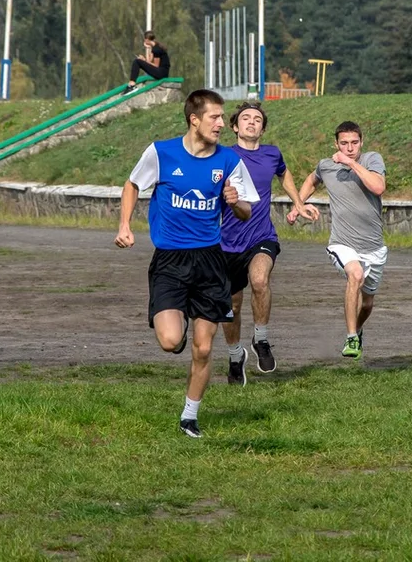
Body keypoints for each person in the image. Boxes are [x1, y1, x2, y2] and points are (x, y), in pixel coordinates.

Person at [115, 89, 259, 438]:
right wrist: (124, 225)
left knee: (205, 346)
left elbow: (246, 211)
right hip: (170, 261)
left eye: (223, 118)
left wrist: (235, 200)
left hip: (210, 261)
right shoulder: (161, 152)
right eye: (215, 117)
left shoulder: (228, 161)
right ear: (194, 119)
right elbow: (133, 185)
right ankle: (178, 328)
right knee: (169, 341)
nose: (222, 124)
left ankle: (189, 416)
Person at [219, 102, 318, 385]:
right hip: (227, 243)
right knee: (232, 306)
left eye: (258, 119)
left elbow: (284, 173)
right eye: (246, 118)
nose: (252, 122)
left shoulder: (272, 153)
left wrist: (299, 203)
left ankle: (261, 339)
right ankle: (235, 355)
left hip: (262, 235)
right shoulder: (223, 156)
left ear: (263, 127)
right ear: (235, 126)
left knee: (260, 280)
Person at [290, 121, 386, 360]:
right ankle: (351, 337)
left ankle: (359, 329)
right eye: (344, 143)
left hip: (374, 247)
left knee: (367, 304)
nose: (349, 147)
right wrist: (297, 205)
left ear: (361, 142)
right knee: (355, 275)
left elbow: (378, 187)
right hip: (342, 242)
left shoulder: (372, 160)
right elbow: (312, 180)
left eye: (354, 143)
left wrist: (351, 163)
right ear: (336, 144)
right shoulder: (326, 166)